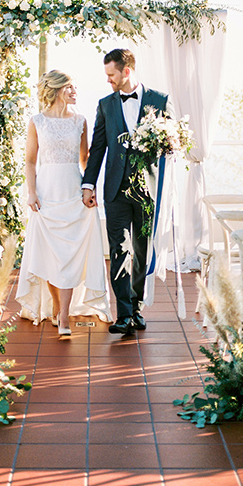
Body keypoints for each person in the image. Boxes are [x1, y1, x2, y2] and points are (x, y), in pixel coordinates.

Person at [82, 48, 172, 335]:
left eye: (111, 75)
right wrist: (88, 184)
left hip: (148, 190)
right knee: (119, 250)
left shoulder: (159, 101)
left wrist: (166, 142)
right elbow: (97, 148)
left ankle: (137, 307)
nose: (108, 80)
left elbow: (170, 142)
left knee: (142, 250)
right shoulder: (105, 105)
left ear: (127, 71)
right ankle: (123, 313)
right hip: (115, 190)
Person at [16, 70, 112, 337]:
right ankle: (58, 309)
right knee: (50, 255)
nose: (74, 91)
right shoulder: (37, 121)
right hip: (46, 194)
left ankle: (66, 317)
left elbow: (85, 160)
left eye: (74, 86)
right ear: (57, 90)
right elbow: (31, 161)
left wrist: (89, 188)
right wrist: (31, 193)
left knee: (69, 256)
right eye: (69, 87)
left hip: (72, 191)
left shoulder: (80, 121)